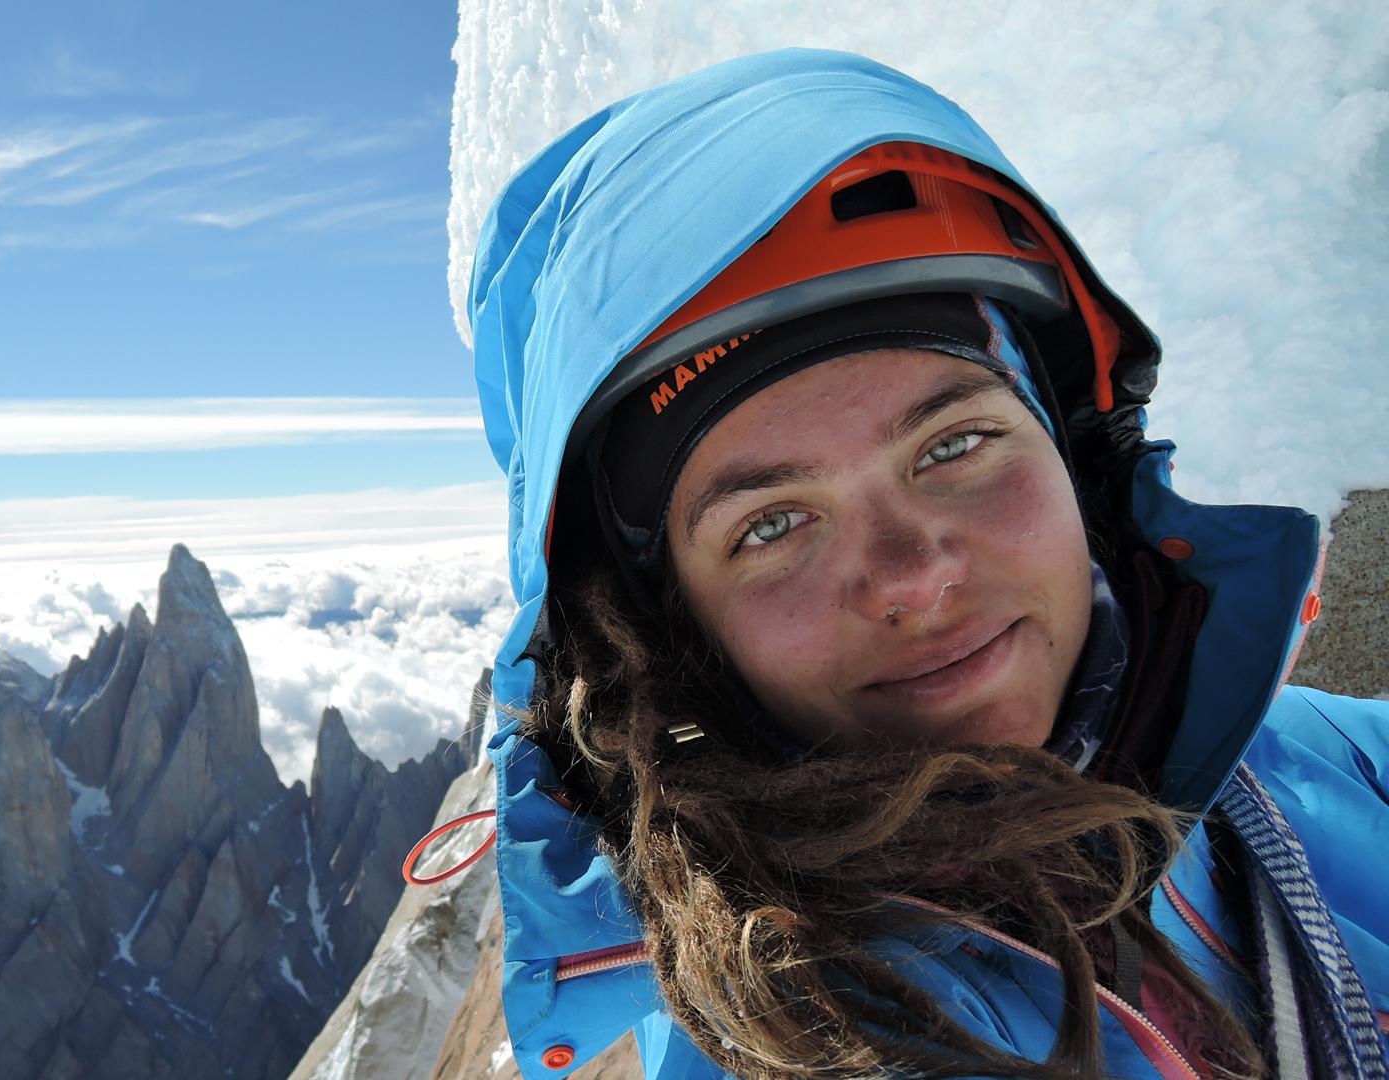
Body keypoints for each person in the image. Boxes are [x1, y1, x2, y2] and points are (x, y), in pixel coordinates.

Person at [465, 48, 1389, 1078]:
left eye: (953, 447)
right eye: (771, 526)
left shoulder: (1316, 762)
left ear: (1077, 459)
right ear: (665, 631)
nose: (914, 577)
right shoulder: (801, 1048)